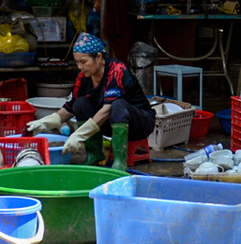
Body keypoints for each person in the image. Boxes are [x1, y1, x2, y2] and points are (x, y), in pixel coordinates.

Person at [25, 32, 154, 163]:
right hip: (110, 124)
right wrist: (44, 123)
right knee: (80, 103)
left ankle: (120, 162)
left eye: (83, 62)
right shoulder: (83, 77)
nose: (80, 67)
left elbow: (107, 110)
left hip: (139, 123)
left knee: (118, 104)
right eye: (77, 62)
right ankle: (94, 155)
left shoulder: (117, 71)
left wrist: (79, 135)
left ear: (98, 57)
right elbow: (70, 107)